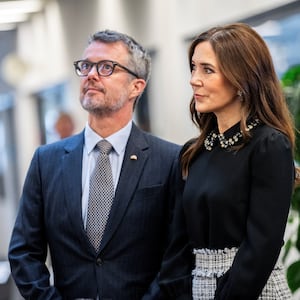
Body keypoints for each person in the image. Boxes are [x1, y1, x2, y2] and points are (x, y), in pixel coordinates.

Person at [8, 29, 180, 300]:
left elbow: (178, 257)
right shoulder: (46, 161)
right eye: (86, 65)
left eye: (106, 67)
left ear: (137, 86)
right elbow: (23, 252)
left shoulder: (169, 160)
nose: (90, 74)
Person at [159, 23, 298, 299]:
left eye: (207, 70)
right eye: (193, 67)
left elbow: (262, 246)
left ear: (241, 79)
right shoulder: (192, 152)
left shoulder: (268, 145)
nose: (194, 79)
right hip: (198, 289)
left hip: (251, 290)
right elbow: (177, 246)